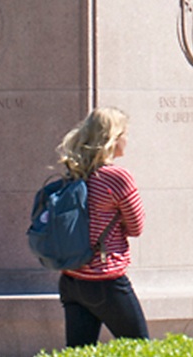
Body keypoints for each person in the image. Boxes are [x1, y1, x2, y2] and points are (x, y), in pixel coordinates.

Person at [54, 108, 149, 347]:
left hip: (72, 279)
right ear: (113, 139)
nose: (127, 140)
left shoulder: (73, 173)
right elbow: (137, 226)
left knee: (79, 352)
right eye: (124, 133)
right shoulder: (118, 177)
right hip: (105, 280)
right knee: (143, 349)